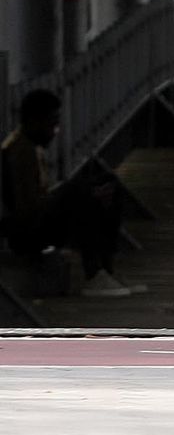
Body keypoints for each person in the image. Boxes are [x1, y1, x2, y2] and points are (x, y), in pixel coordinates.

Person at [0, 89, 141, 298]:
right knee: (80, 192)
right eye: (51, 123)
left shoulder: (31, 146)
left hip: (34, 222)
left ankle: (106, 271)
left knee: (107, 184)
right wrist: (63, 197)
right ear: (33, 121)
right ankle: (94, 273)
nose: (55, 131)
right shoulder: (21, 152)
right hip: (25, 233)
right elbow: (26, 209)